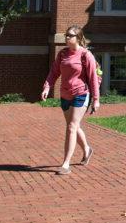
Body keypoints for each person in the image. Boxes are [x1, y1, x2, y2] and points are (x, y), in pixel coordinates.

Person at [40, 25, 100, 175]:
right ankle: (87, 149)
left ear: (78, 38)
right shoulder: (62, 54)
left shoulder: (86, 55)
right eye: (66, 35)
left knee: (71, 127)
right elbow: (54, 72)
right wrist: (47, 87)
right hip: (65, 95)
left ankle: (66, 164)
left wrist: (96, 99)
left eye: (70, 35)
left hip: (81, 93)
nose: (66, 37)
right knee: (73, 126)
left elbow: (93, 78)